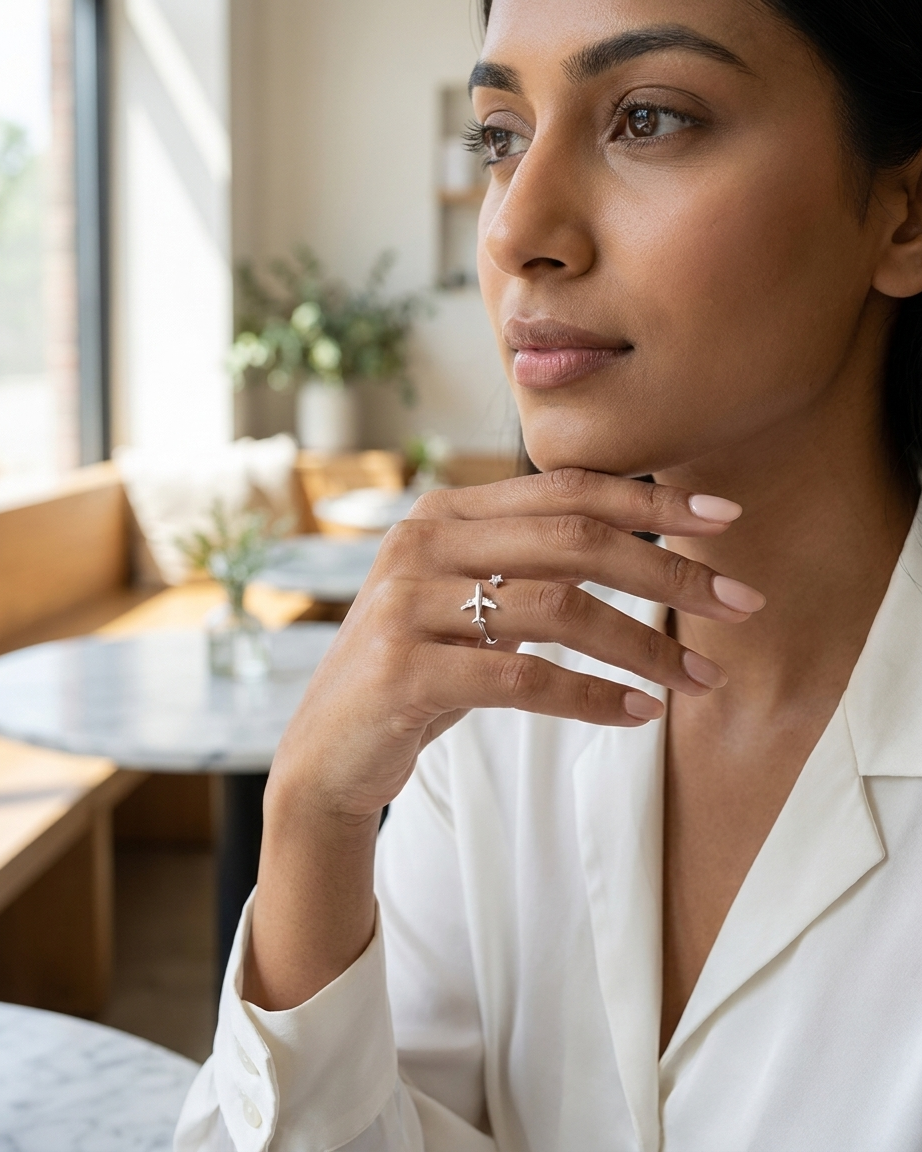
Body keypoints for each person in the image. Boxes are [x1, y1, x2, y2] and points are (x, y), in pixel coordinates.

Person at [176, 0, 922, 1148]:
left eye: (649, 118)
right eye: (499, 136)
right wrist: (311, 821)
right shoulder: (493, 690)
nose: (516, 226)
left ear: (901, 215)